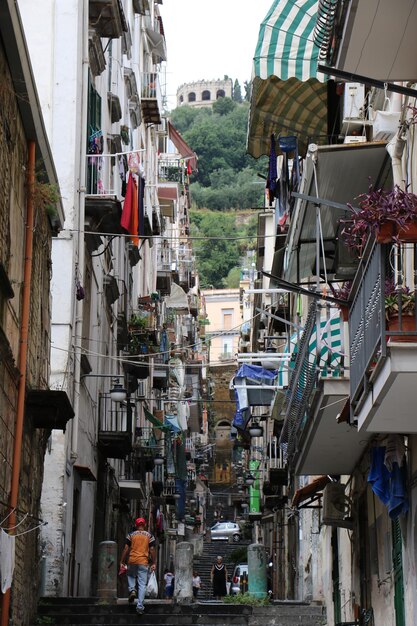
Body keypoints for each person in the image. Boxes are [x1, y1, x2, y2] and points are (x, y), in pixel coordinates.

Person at [120, 517, 157, 615]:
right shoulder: (149, 536)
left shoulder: (131, 535)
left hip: (132, 561)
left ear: (136, 525)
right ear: (144, 525)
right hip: (143, 562)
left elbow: (126, 548)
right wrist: (153, 563)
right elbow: (152, 550)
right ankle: (140, 607)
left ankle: (132, 590)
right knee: (142, 584)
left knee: (131, 575)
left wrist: (122, 561)